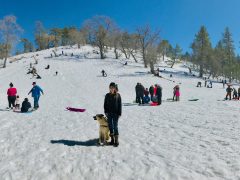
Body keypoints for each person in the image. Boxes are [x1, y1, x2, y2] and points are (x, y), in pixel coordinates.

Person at [104, 82, 122, 147]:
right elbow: (105, 104)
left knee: (115, 126)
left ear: (114, 88)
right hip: (109, 113)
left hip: (116, 114)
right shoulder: (107, 95)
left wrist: (119, 113)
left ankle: (116, 140)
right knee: (110, 126)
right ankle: (112, 139)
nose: (111, 89)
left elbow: (120, 105)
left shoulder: (118, 95)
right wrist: (106, 112)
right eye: (110, 88)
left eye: (112, 88)